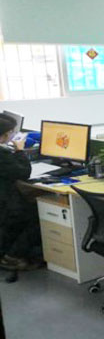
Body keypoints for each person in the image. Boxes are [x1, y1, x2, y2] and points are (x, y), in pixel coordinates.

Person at [0, 114, 42, 271]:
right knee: (38, 212)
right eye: (12, 132)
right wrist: (19, 150)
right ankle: (12, 256)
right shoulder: (2, 154)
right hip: (5, 204)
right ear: (4, 135)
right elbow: (23, 172)